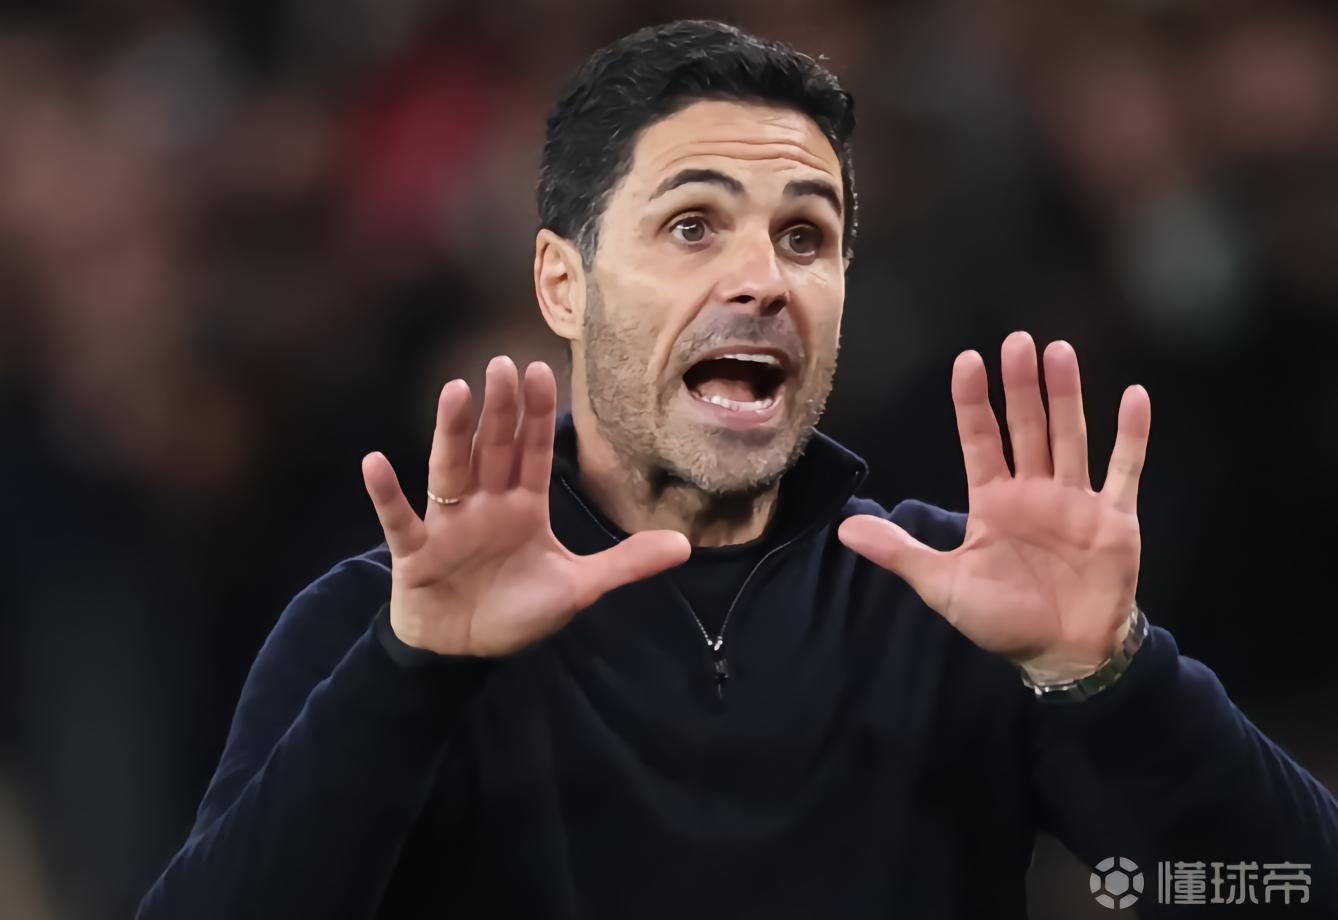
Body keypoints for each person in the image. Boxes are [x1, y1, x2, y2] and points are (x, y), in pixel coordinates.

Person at [139, 20, 1338, 919]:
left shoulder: (965, 603)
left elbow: (1287, 887)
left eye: (806, 234)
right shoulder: (380, 619)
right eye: (693, 225)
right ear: (563, 282)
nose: (763, 278)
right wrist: (411, 677)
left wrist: (1110, 676)